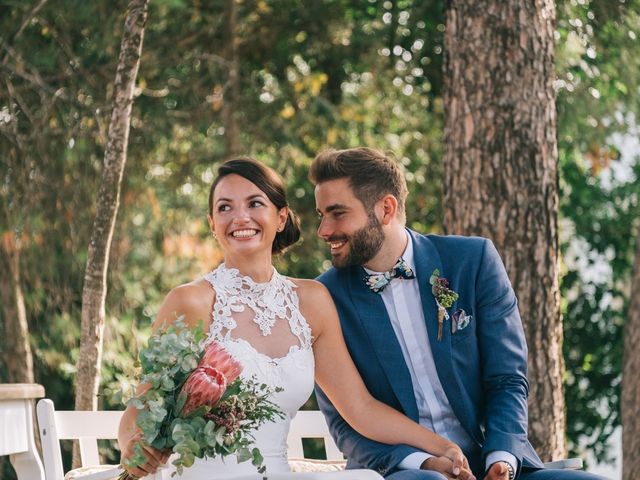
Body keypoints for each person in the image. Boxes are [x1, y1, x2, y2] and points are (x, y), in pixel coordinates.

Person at [118, 157, 475, 480]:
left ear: (281, 217)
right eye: (225, 208)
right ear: (213, 224)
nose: (240, 217)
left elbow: (360, 408)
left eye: (255, 204)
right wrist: (136, 449)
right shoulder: (190, 301)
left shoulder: (312, 301)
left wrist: (440, 447)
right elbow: (136, 416)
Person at [310, 147, 608, 480]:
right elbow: (345, 424)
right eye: (321, 215)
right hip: (402, 472)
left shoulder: (472, 260)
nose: (324, 229)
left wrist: (502, 460)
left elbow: (507, 379)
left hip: (491, 463)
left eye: (337, 213)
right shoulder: (325, 299)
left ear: (385, 208)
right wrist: (425, 463)